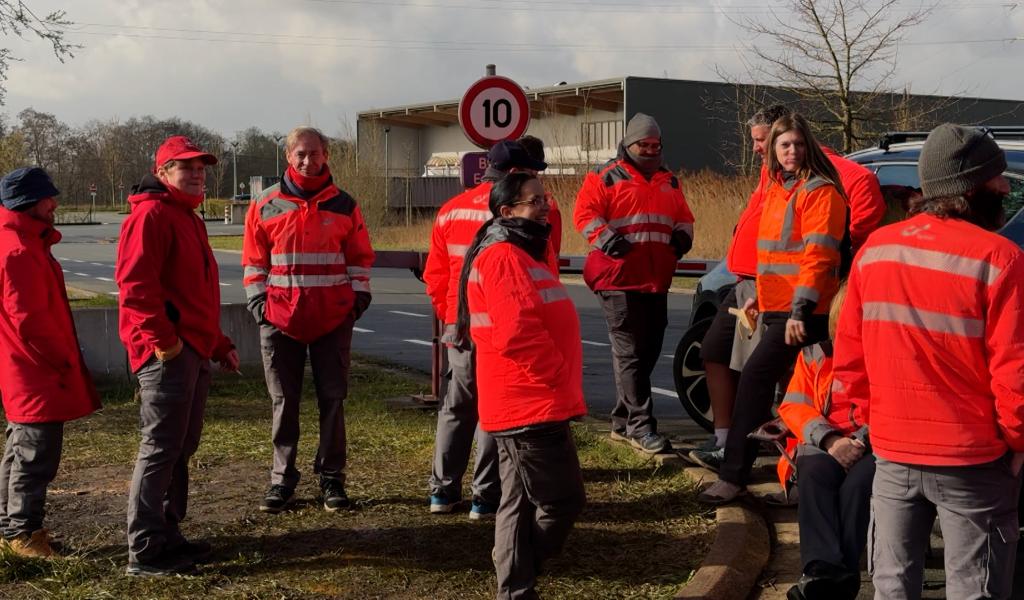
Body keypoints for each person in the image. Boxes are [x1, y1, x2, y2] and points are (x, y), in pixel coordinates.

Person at [833, 124, 1024, 599]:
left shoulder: (876, 250)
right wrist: (1017, 440)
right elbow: (1015, 369)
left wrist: (873, 423)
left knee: (892, 586)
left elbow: (850, 356)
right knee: (974, 589)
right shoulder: (1000, 258)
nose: (1006, 187)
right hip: (972, 458)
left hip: (893, 452)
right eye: (998, 177)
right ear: (971, 187)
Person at [690, 104, 884, 470]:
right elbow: (775, 257)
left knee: (756, 379)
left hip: (806, 310)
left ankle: (734, 471)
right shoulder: (779, 189)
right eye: (784, 145)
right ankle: (797, 467)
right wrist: (760, 297)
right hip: (778, 305)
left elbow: (818, 256)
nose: (791, 151)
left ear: (808, 145)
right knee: (791, 389)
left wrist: (799, 311)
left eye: (797, 144)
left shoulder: (820, 191)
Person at [456, 172, 587, 599]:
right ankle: (519, 573)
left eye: (545, 198)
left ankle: (514, 588)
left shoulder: (523, 251)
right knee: (563, 501)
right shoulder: (504, 256)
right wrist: (556, 375)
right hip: (531, 402)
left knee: (517, 500)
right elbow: (518, 333)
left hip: (525, 400)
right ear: (506, 210)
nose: (545, 206)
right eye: (535, 201)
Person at [117, 136, 240, 576]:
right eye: (186, 167)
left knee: (180, 446)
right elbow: (135, 289)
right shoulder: (151, 215)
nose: (197, 173)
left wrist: (218, 344)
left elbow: (194, 298)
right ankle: (145, 549)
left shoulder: (187, 217)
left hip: (190, 350)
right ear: (163, 172)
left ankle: (167, 533)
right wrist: (166, 344)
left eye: (201, 168)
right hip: (167, 355)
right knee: (160, 448)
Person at [242, 126, 375, 515]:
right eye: (300, 153)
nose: (307, 160)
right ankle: (282, 480)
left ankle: (332, 477)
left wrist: (357, 301)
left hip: (332, 320)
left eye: (314, 153)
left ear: (326, 155)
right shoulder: (265, 204)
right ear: (288, 156)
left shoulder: (344, 205)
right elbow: (254, 261)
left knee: (333, 400)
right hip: (279, 320)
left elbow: (360, 258)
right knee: (284, 402)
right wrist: (259, 305)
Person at [422, 139, 555, 518]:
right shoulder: (529, 211)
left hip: (461, 325)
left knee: (456, 406)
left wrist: (451, 313)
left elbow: (435, 275)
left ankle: (442, 492)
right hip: (506, 323)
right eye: (530, 173)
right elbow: (545, 271)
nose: (537, 184)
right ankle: (485, 496)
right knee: (494, 408)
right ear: (515, 174)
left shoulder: (450, 210)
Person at [573, 113, 695, 454]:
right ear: (629, 144)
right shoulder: (605, 177)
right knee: (630, 352)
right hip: (617, 277)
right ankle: (641, 427)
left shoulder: (670, 181)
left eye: (656, 145)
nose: (652, 150)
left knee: (648, 350)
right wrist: (609, 241)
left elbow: (684, 218)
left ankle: (622, 420)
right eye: (645, 144)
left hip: (655, 279)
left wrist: (682, 239)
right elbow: (584, 214)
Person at [0, 167, 100, 558]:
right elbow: (31, 321)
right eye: (47, 198)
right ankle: (24, 534)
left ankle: (11, 530)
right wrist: (62, 361)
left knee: (19, 448)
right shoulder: (19, 250)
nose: (54, 204)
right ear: (29, 203)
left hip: (23, 367)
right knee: (35, 453)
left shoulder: (19, 241)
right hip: (36, 370)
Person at [777, 283, 872, 600]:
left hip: (872, 444)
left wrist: (858, 441)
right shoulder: (815, 355)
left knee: (857, 485)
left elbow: (893, 408)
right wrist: (830, 440)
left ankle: (830, 578)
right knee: (814, 473)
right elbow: (793, 406)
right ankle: (823, 571)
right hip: (823, 441)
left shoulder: (885, 357)